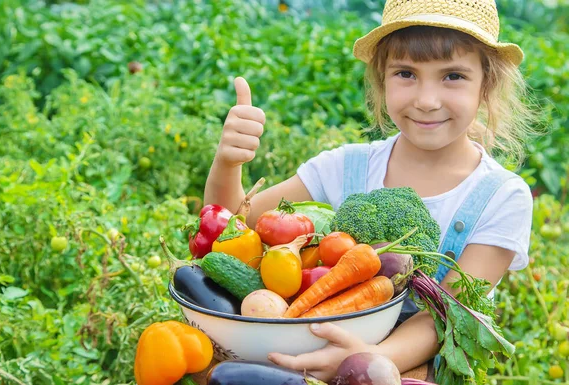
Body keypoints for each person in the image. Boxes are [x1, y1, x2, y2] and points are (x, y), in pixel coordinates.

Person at [203, 0, 538, 381]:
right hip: (314, 344)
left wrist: (368, 358)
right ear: (382, 79)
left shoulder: (501, 196)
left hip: (418, 362)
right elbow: (228, 229)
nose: (427, 101)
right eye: (406, 73)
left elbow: (449, 313)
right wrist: (228, 163)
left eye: (453, 76)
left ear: (486, 85)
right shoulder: (345, 168)